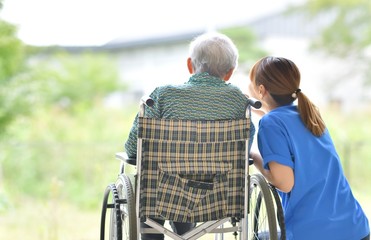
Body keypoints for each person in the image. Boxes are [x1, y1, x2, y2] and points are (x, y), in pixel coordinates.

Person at [125, 32, 256, 240]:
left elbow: (134, 147)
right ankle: (187, 231)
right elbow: (245, 143)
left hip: (162, 194)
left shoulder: (163, 95)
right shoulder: (239, 101)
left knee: (161, 180)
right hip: (219, 193)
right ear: (230, 72)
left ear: (189, 64)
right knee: (194, 177)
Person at [247, 56, 370, 240]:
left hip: (313, 233)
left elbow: (284, 183)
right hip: (356, 228)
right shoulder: (308, 113)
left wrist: (253, 156)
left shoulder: (271, 123)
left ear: (261, 90)